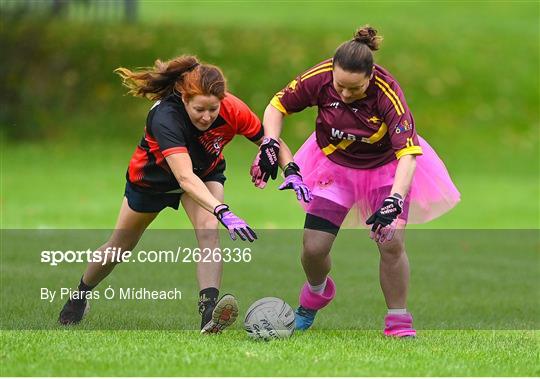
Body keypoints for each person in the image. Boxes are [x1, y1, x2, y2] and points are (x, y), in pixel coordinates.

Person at [58, 55, 297, 333]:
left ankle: (209, 312)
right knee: (119, 247)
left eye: (213, 109)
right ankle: (81, 293)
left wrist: (291, 169)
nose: (207, 117)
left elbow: (272, 141)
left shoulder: (233, 109)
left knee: (209, 232)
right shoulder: (165, 117)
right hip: (154, 180)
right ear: (184, 99)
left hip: (205, 171)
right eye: (199, 109)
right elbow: (184, 178)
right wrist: (223, 211)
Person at [251, 26, 460, 337]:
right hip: (334, 166)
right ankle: (317, 292)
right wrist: (270, 142)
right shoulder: (320, 77)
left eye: (355, 89)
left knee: (391, 242)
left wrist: (395, 200)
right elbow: (276, 105)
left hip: (386, 170)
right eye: (340, 87)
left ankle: (398, 320)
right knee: (313, 247)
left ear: (370, 75)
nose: (346, 95)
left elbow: (408, 155)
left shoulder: (388, 92)